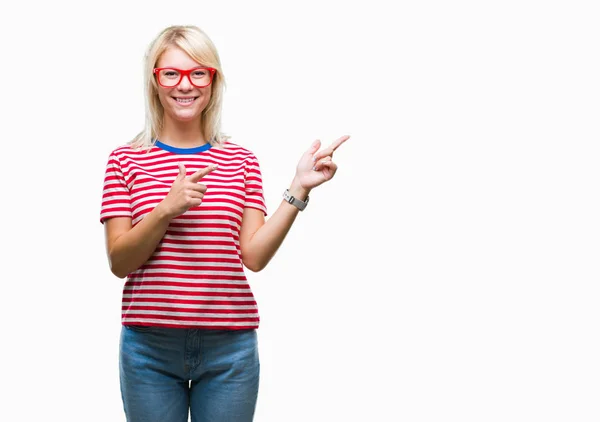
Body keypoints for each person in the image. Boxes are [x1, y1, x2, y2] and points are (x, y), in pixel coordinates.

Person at [100, 24, 349, 422]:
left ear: (213, 81)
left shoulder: (241, 161)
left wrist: (299, 188)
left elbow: (253, 256)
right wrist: (166, 209)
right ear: (155, 81)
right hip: (149, 346)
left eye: (199, 72)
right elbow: (119, 262)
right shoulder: (125, 160)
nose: (186, 85)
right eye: (172, 73)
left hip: (229, 349)